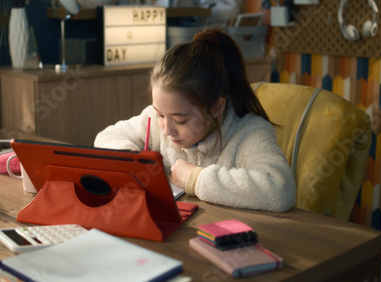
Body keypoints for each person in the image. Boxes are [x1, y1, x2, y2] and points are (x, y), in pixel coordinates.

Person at [94, 27, 296, 212]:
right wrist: (133, 161)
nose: (166, 129)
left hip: (224, 238)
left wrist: (196, 178)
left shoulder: (250, 132)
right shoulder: (155, 121)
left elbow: (280, 190)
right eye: (160, 114)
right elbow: (106, 137)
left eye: (180, 121)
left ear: (216, 108)